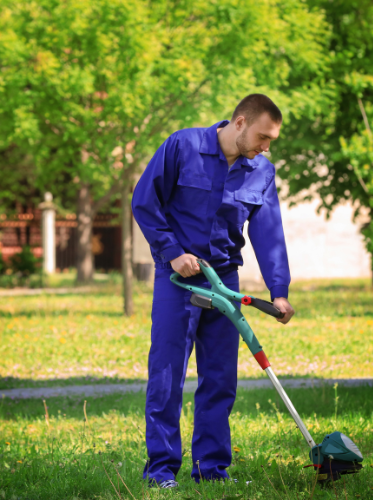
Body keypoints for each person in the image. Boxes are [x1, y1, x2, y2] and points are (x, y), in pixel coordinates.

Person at [131, 93, 295, 488]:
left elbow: (268, 232)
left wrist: (279, 290)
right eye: (262, 136)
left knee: (220, 379)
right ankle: (160, 472)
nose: (265, 146)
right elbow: (144, 201)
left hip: (226, 281)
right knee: (168, 375)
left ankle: (212, 470)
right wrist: (172, 252)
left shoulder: (261, 171)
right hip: (178, 281)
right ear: (239, 122)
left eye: (271, 140)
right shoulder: (182, 146)